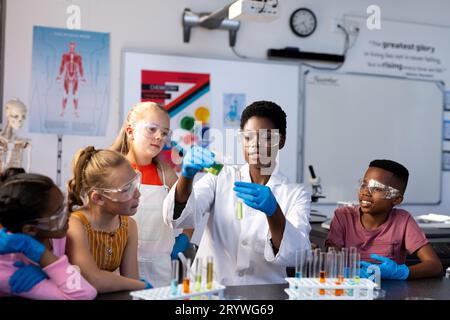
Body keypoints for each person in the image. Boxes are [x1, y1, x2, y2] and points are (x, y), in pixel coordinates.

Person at [163, 100, 311, 285]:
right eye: (248, 137)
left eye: (265, 137)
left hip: (263, 294)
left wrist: (274, 213)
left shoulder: (296, 193)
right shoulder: (220, 176)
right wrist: (186, 177)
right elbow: (179, 218)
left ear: (280, 141)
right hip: (209, 291)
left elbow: (298, 255)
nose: (254, 145)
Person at [112, 101, 194, 287]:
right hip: (117, 267)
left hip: (160, 270)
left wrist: (184, 238)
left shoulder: (167, 175)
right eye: (152, 129)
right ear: (130, 131)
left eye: (164, 133)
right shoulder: (112, 169)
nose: (159, 137)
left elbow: (189, 214)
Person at [325, 159, 443, 279]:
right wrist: (345, 271)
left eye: (377, 188)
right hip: (351, 289)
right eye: (364, 184)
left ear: (396, 199)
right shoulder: (344, 216)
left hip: (389, 293)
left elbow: (435, 266)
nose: (365, 192)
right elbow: (332, 260)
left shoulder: (403, 220)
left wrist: (400, 272)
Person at [66, 146, 150, 293]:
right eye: (126, 189)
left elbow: (131, 282)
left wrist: (138, 287)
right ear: (98, 198)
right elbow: (94, 280)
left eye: (135, 183)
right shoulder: (75, 224)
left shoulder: (128, 226)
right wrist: (143, 286)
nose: (137, 193)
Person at [0, 171, 97, 299]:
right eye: (59, 214)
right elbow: (83, 295)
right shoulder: (8, 269)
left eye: (64, 206)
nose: (68, 215)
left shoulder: (54, 237)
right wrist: (43, 255)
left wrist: (46, 273)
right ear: (30, 229)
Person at [56, 41, 85, 118]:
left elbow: (81, 67)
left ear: (75, 46)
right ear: (69, 46)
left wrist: (82, 77)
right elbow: (62, 66)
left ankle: (76, 111)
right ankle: (63, 111)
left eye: (73, 46)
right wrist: (59, 75)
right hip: (67, 76)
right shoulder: (65, 55)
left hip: (75, 76)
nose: (72, 48)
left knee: (75, 95)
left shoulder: (78, 56)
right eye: (71, 46)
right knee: (65, 94)